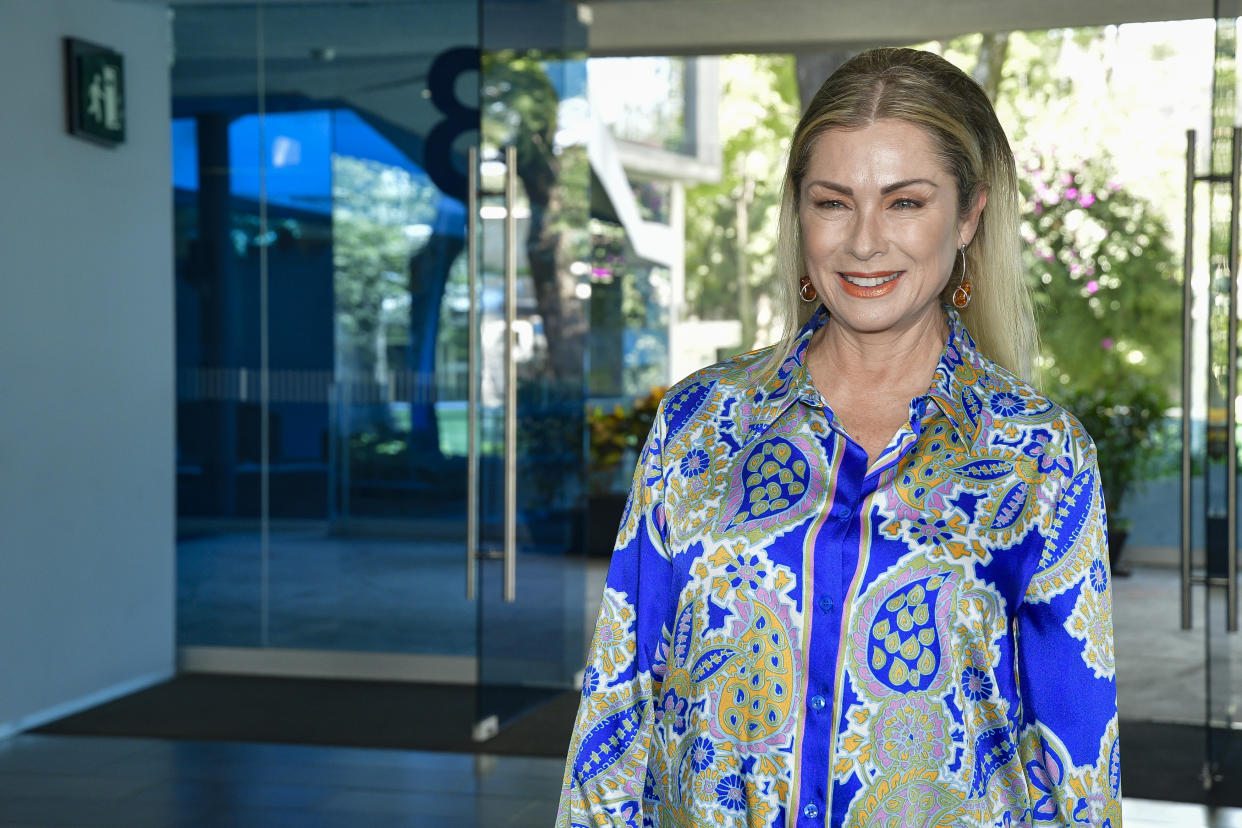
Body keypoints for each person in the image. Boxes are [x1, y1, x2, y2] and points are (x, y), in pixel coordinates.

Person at [557, 47, 1119, 827]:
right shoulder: (700, 425)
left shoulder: (1041, 457)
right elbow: (619, 707)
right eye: (832, 202)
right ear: (800, 214)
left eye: (904, 202)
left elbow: (1076, 763)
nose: (863, 242)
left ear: (968, 215)